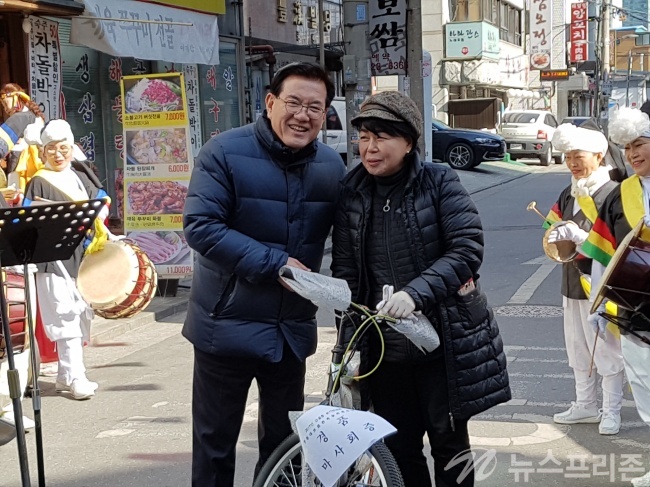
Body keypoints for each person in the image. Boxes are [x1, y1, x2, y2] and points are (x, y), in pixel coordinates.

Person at [330, 91, 510, 487]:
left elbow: (467, 248)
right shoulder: (351, 192)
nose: (370, 148)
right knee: (398, 447)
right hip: (384, 349)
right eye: (364, 138)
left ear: (409, 142)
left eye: (382, 138)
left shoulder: (439, 180)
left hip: (443, 340)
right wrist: (346, 347)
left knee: (449, 445)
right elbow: (346, 274)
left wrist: (415, 293)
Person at [182, 62, 345, 486]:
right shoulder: (223, 151)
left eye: (315, 106)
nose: (302, 115)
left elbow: (353, 239)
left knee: (282, 447)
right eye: (293, 103)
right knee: (215, 446)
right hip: (224, 327)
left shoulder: (331, 166)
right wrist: (276, 264)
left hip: (289, 331)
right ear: (271, 102)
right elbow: (202, 227)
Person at [582, 106, 650, 487]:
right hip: (636, 307)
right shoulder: (621, 192)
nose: (633, 154)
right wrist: (598, 304)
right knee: (644, 384)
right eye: (627, 148)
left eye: (640, 144)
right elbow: (603, 252)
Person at [543, 123, 625, 435]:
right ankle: (585, 404)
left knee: (606, 347)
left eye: (578, 156)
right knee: (577, 345)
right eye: (567, 158)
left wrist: (585, 238)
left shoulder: (614, 192)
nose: (573, 164)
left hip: (605, 283)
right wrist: (556, 235)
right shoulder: (569, 191)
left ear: (599, 154)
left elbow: (622, 242)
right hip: (573, 280)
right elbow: (551, 227)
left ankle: (611, 410)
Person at [22, 119, 109, 401]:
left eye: (64, 148)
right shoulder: (39, 181)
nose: (58, 155)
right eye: (51, 150)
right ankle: (77, 377)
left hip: (82, 256)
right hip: (53, 260)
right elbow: (27, 219)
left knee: (81, 316)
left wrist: (98, 213)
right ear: (43, 152)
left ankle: (64, 375)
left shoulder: (80, 175)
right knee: (65, 316)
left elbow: (101, 199)